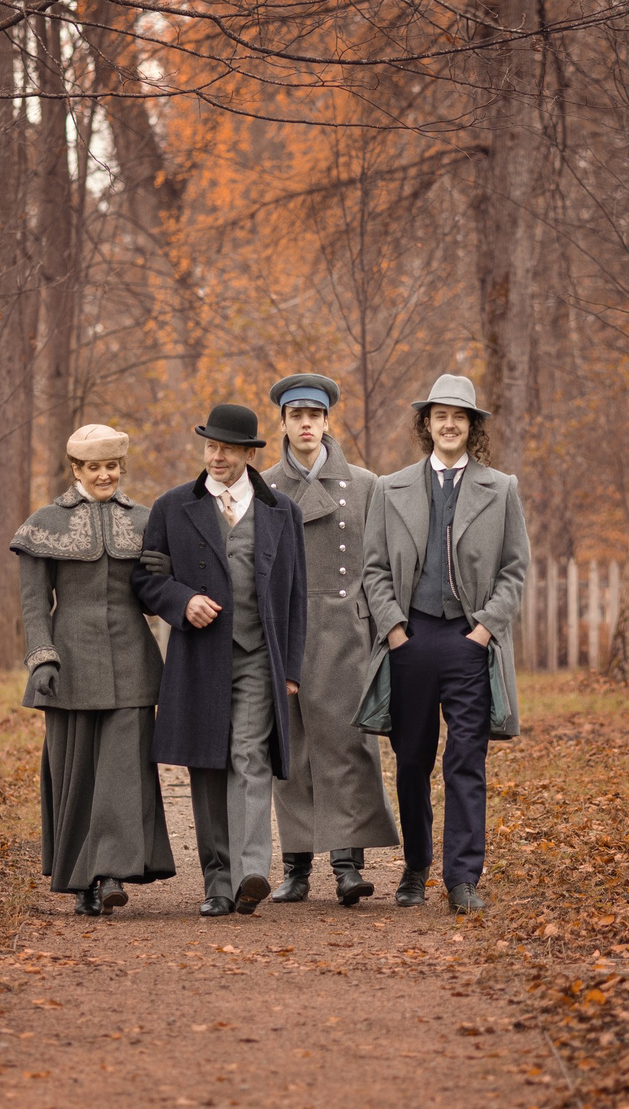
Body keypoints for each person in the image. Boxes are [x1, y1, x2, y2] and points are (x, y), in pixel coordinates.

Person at [359, 374, 527, 914]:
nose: (449, 424)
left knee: (466, 761)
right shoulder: (392, 487)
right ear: (426, 424)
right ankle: (415, 866)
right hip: (411, 639)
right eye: (439, 416)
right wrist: (394, 630)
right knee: (411, 761)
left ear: (472, 426)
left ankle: (462, 879)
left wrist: (483, 631)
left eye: (459, 416)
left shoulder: (501, 489)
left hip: (468, 639)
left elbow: (515, 570)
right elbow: (374, 569)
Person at [135, 403, 309, 916]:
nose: (217, 456)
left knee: (249, 755)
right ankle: (217, 880)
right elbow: (146, 581)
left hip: (259, 655)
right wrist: (182, 601)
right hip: (198, 657)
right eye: (210, 446)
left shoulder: (282, 512)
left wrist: (291, 670)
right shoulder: (171, 508)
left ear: (250, 454)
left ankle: (250, 871)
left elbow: (296, 594)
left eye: (228, 448)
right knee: (207, 764)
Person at [12, 424, 175, 915]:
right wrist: (42, 657)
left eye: (112, 467)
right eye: (94, 467)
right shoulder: (43, 524)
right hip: (70, 666)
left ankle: (109, 874)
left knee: (124, 773)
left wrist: (166, 576)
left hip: (132, 661)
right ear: (76, 470)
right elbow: (34, 603)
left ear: (121, 469)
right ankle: (82, 879)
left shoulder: (148, 521)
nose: (104, 475)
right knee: (76, 774)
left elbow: (155, 595)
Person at [258, 373, 400, 906]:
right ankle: (296, 867)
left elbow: (383, 561)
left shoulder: (365, 484)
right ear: (284, 424)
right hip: (287, 629)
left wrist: (383, 627)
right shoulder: (264, 486)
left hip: (346, 629)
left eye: (313, 416)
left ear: (326, 421)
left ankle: (347, 863)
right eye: (296, 417)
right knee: (290, 746)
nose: (305, 425)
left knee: (347, 744)